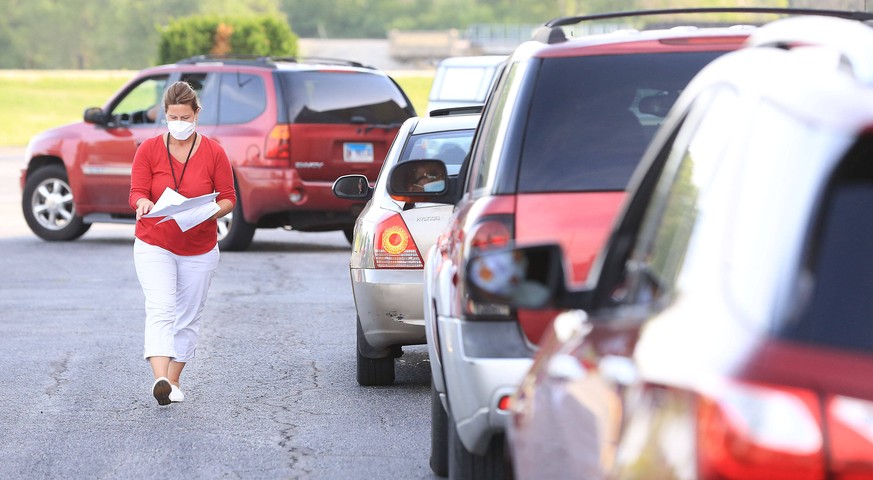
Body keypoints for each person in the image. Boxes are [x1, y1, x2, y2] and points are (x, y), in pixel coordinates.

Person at [128, 81, 236, 406]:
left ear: (196, 114)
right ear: (165, 115)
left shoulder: (215, 151)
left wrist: (207, 213)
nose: (179, 123)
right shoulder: (148, 149)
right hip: (155, 241)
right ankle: (159, 377)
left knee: (187, 316)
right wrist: (142, 205)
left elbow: (229, 199)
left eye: (185, 116)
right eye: (173, 116)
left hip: (200, 246)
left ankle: (172, 381)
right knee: (160, 308)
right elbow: (137, 192)